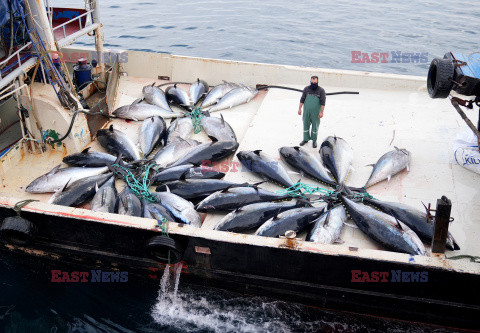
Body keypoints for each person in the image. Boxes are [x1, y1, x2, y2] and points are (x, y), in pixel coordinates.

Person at [298, 76, 326, 148]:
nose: (313, 84)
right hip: (306, 112)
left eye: (315, 82)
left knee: (315, 127)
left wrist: (321, 112)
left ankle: (314, 141)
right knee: (305, 125)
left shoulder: (321, 91)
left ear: (317, 82)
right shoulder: (306, 89)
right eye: (312, 82)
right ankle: (305, 139)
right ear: (310, 81)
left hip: (316, 113)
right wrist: (299, 109)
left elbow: (323, 103)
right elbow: (302, 99)